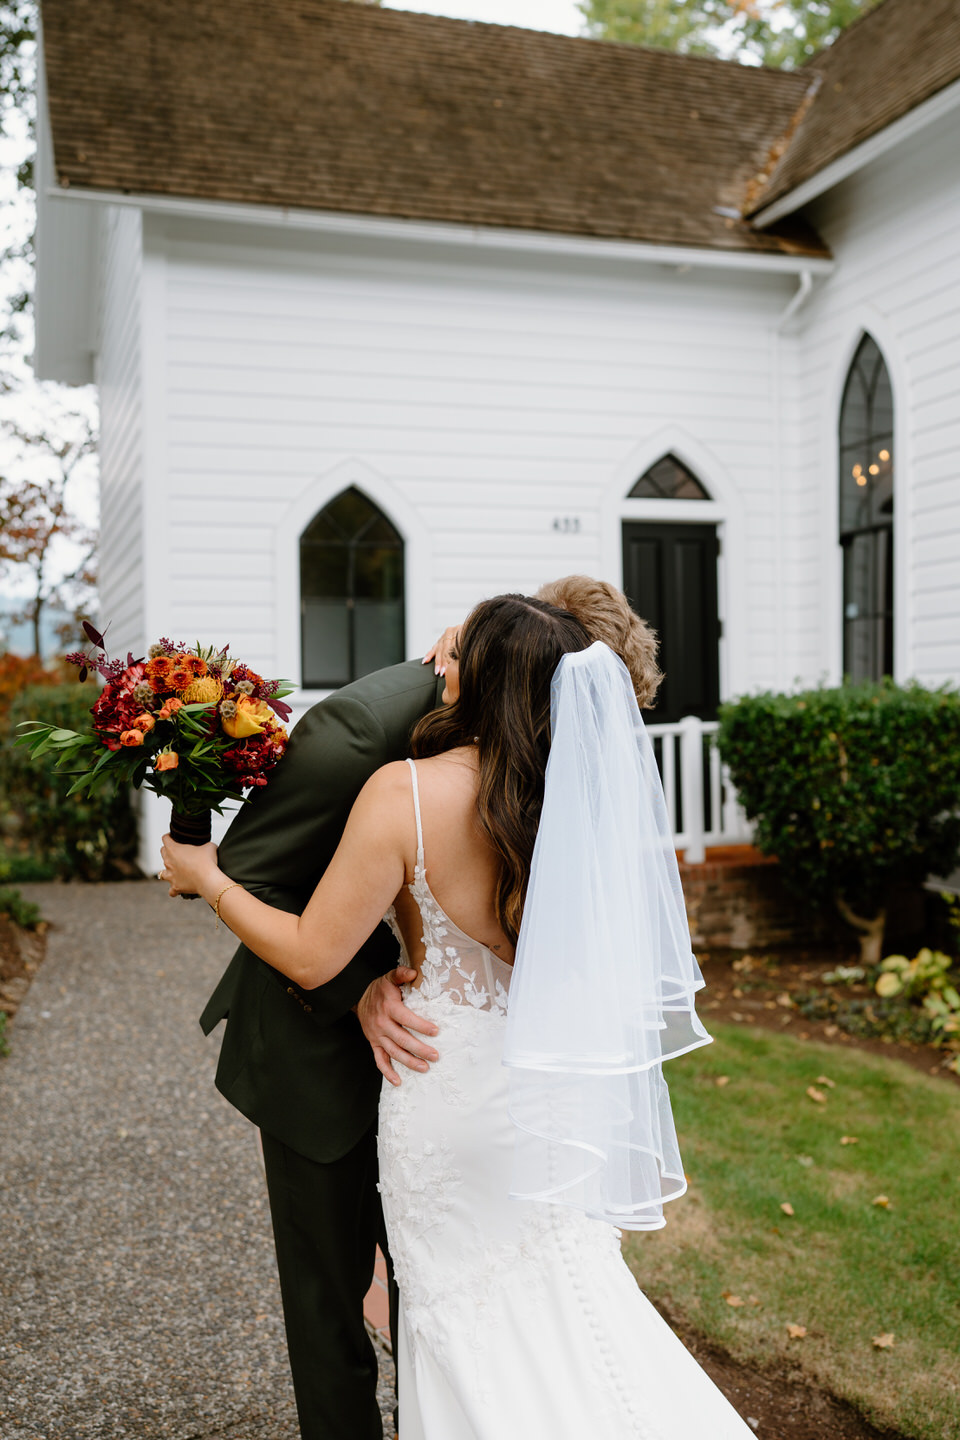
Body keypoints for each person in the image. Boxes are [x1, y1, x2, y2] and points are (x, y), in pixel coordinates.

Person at [165, 594, 755, 1439]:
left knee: (450, 1310)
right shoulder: (567, 798)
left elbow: (309, 955)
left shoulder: (404, 790)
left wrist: (206, 877)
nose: (437, 659)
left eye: (456, 649)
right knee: (552, 1294)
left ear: (481, 672)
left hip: (435, 1081)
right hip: (529, 1088)